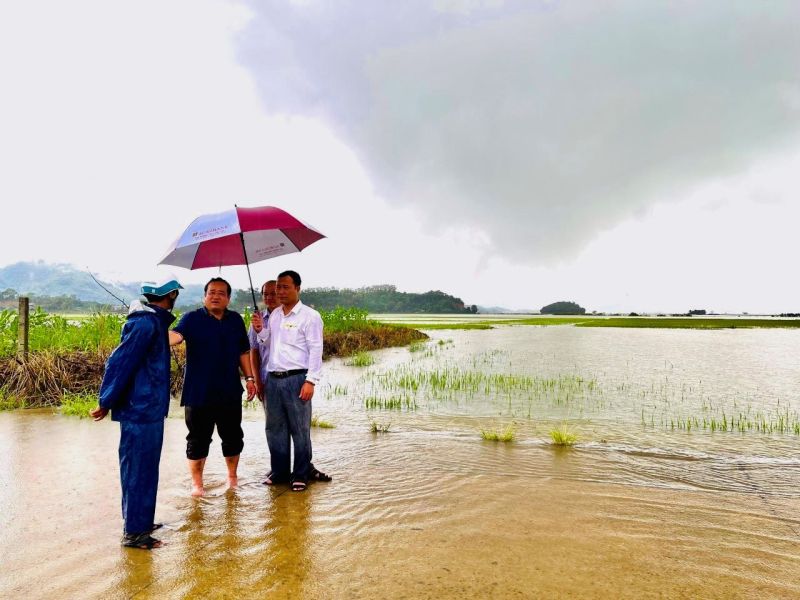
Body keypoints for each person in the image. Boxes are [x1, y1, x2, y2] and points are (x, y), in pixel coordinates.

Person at [90, 277, 183, 550]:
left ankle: (141, 521)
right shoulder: (144, 324)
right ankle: (134, 533)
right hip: (139, 409)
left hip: (149, 408)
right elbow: (119, 362)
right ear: (171, 295)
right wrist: (106, 400)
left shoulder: (154, 323)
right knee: (137, 470)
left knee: (145, 469)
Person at [169, 277, 256, 497]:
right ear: (204, 296)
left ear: (228, 298)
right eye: (211, 292)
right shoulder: (191, 318)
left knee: (233, 436)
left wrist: (250, 379)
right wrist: (151, 330)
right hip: (198, 392)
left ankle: (232, 478)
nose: (215, 296)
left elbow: (243, 352)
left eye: (221, 293)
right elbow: (177, 337)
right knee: (197, 439)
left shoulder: (235, 320)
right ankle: (197, 485)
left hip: (229, 391)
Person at [251, 270, 326, 492]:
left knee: (300, 429)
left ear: (297, 288)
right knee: (274, 429)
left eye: (285, 287)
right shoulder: (274, 316)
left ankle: (301, 474)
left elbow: (316, 349)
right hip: (273, 379)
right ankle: (280, 471)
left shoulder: (310, 316)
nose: (280, 292)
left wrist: (310, 380)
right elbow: (267, 343)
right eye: (277, 289)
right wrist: (259, 331)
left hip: (297, 379)